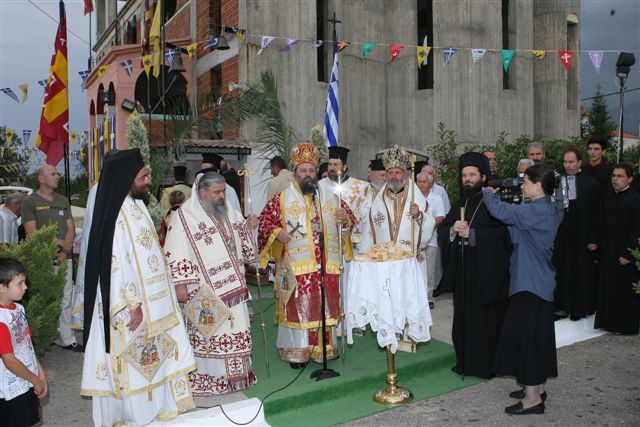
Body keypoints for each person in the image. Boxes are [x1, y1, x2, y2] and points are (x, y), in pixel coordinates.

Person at [81, 149, 196, 426]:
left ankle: (158, 408)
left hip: (155, 302)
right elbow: (114, 264)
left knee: (157, 355)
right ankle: (135, 416)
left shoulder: (137, 205)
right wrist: (131, 305)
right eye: (143, 176)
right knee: (134, 363)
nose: (148, 181)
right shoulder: (115, 214)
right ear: (126, 178)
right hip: (131, 308)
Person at [258, 142, 355, 368]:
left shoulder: (329, 197)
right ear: (295, 173)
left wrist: (345, 219)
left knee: (323, 305)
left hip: (325, 265)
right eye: (303, 170)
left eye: (311, 170)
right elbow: (265, 223)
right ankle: (297, 351)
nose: (308, 174)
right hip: (296, 265)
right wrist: (277, 232)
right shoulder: (281, 199)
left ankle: (323, 348)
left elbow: (349, 219)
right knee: (298, 307)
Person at [164, 172, 259, 395]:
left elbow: (241, 241)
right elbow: (176, 250)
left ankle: (237, 377)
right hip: (203, 288)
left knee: (236, 328)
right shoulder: (184, 217)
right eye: (217, 192)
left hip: (233, 286)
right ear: (202, 192)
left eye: (224, 191)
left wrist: (249, 226)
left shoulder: (230, 212)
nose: (222, 196)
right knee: (211, 335)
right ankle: (209, 380)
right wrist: (181, 285)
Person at [483, 163, 562, 415]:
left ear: (538, 185)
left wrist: (487, 192)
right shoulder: (543, 209)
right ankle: (535, 388)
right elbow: (518, 231)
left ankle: (532, 400)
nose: (522, 186)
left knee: (529, 342)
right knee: (535, 340)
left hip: (531, 286)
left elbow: (500, 210)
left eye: (526, 182)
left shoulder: (537, 211)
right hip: (535, 283)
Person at [438, 153, 511, 379]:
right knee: (463, 318)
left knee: (485, 322)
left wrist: (473, 234)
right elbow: (443, 231)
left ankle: (487, 365)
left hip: (487, 273)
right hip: (463, 273)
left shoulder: (495, 203)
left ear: (483, 176)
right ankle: (464, 362)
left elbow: (504, 235)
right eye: (464, 175)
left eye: (472, 175)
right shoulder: (460, 203)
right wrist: (451, 230)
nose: (468, 179)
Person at [21, 165, 78, 350]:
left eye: (57, 173)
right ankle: (45, 337)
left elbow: (71, 228)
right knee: (45, 299)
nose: (58, 176)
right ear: (42, 179)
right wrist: (62, 243)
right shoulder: (30, 202)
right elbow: (32, 233)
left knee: (66, 299)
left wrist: (64, 252)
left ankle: (67, 338)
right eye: (53, 174)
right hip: (42, 261)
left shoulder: (63, 200)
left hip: (64, 259)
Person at [553, 149, 602, 320]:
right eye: (565, 162)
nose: (567, 165)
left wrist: (594, 239)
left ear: (580, 163)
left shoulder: (591, 184)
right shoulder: (557, 183)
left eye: (571, 162)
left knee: (581, 273)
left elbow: (597, 214)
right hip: (562, 236)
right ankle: (561, 308)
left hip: (583, 236)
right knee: (562, 270)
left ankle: (579, 309)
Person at [0, 258, 48, 427]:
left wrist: (39, 371)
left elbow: (27, 344)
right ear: (2, 287)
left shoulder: (19, 309)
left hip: (27, 379)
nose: (25, 287)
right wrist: (35, 380)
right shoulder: (1, 319)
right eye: (19, 283)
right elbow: (9, 360)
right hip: (10, 390)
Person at [595, 163, 640, 334]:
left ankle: (626, 326)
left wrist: (629, 253)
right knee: (609, 287)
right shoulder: (606, 198)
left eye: (620, 176)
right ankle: (609, 324)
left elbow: (637, 228)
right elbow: (600, 225)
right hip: (608, 252)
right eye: (613, 176)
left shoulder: (636, 200)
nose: (615, 179)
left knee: (625, 291)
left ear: (630, 179)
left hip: (626, 255)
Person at [365, 146, 435, 256]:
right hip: (385, 257)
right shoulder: (379, 200)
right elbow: (370, 231)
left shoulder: (415, 196)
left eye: (397, 172)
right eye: (390, 172)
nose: (393, 176)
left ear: (404, 175)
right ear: (386, 175)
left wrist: (418, 215)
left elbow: (430, 222)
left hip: (409, 256)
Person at [319, 146, 372, 254]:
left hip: (352, 245)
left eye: (336, 164)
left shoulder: (361, 187)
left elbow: (366, 215)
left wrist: (348, 218)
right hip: (327, 245)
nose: (332, 168)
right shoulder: (320, 186)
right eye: (330, 164)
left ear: (345, 167)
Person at [416, 172, 445, 309]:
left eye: (424, 182)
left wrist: (427, 226)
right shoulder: (412, 198)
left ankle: (428, 298)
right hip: (414, 242)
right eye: (419, 182)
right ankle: (417, 297)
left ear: (430, 184)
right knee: (416, 270)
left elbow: (440, 216)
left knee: (429, 271)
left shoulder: (437, 198)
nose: (421, 184)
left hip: (430, 240)